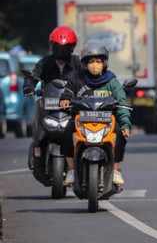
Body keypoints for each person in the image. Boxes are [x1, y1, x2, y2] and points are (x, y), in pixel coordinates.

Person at [60, 42, 132, 186]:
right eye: (91, 61)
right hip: (81, 120)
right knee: (68, 131)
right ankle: (72, 170)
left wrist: (125, 124)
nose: (95, 65)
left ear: (104, 63)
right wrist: (65, 100)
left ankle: (115, 170)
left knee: (119, 135)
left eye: (98, 61)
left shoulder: (112, 81)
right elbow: (67, 93)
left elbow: (122, 103)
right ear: (85, 64)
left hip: (107, 121)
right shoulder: (77, 79)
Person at [23, 26, 84, 165]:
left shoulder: (78, 63)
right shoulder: (45, 62)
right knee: (38, 105)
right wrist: (29, 88)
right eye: (58, 47)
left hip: (73, 105)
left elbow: (88, 78)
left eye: (65, 47)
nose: (61, 51)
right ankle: (37, 147)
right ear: (52, 46)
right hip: (49, 105)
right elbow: (32, 76)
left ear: (72, 47)